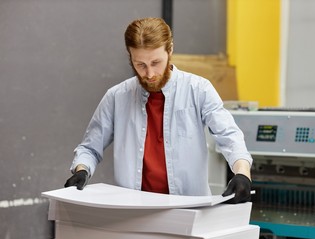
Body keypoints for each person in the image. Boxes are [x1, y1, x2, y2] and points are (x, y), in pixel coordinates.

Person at [64, 17, 252, 203]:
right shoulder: (116, 97)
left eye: (156, 63)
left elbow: (229, 135)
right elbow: (90, 147)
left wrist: (242, 173)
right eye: (141, 65)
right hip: (133, 209)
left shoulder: (198, 89)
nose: (150, 74)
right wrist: (82, 170)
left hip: (189, 207)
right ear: (130, 57)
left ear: (170, 49)